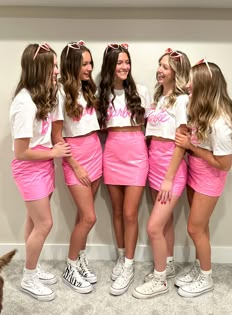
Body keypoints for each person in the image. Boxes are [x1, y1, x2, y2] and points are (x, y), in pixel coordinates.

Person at [9, 43, 71, 301]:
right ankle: (28, 277)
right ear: (39, 68)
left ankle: (31, 267)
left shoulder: (42, 96)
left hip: (42, 166)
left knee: (34, 221)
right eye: (53, 66)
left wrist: (50, 156)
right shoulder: (24, 103)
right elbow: (21, 152)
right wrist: (53, 154)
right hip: (30, 169)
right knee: (45, 223)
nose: (56, 71)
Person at [174, 60, 232, 297]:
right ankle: (201, 268)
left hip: (210, 179)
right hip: (196, 173)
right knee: (201, 227)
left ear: (205, 85)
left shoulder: (220, 122)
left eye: (192, 80)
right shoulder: (199, 109)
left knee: (194, 228)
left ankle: (206, 278)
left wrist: (191, 147)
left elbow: (225, 163)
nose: (188, 85)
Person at [133, 48, 191, 299]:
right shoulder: (158, 99)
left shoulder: (182, 101)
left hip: (171, 170)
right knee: (165, 223)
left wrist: (169, 178)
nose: (159, 69)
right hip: (154, 166)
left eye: (165, 66)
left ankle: (159, 281)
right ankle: (167, 265)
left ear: (176, 72)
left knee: (153, 227)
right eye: (159, 65)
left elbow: (181, 141)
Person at [98, 43, 151, 296]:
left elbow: (152, 127)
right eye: (119, 62)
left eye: (127, 61)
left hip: (137, 155)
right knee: (117, 212)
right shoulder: (102, 94)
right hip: (112, 154)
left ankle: (129, 265)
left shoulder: (142, 91)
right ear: (110, 65)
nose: (124, 66)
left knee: (131, 213)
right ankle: (121, 255)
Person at [52, 41, 102, 294]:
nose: (89, 67)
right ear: (72, 65)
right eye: (84, 63)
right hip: (76, 158)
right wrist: (75, 166)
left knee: (84, 216)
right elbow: (57, 137)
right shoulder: (60, 93)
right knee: (90, 217)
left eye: (90, 62)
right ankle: (70, 267)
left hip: (95, 152)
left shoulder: (87, 89)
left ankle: (79, 260)